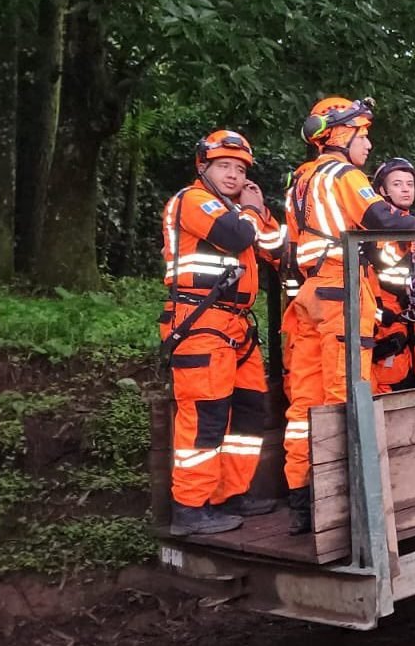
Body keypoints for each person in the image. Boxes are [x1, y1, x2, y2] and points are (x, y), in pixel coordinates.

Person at [282, 97, 415, 534]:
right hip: (340, 290)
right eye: (363, 135)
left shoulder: (300, 180)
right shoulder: (342, 175)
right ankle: (342, 501)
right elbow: (384, 218)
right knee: (345, 393)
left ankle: (301, 496)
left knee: (305, 400)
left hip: (310, 293)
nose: (368, 144)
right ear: (340, 134)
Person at [159, 130, 284, 536]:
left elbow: (276, 250)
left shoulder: (238, 212)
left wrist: (261, 212)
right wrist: (250, 211)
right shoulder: (193, 201)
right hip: (200, 324)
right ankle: (190, 507)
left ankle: (231, 492)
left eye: (241, 170)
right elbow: (235, 236)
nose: (233, 175)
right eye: (224, 166)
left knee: (249, 410)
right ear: (204, 167)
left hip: (236, 327)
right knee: (205, 418)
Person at [369, 158, 415, 393]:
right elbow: (379, 265)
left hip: (409, 318)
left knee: (410, 374)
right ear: (382, 191)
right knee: (388, 378)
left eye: (409, 184)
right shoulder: (375, 230)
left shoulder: (414, 226)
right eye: (397, 184)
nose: (405, 189)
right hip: (385, 319)